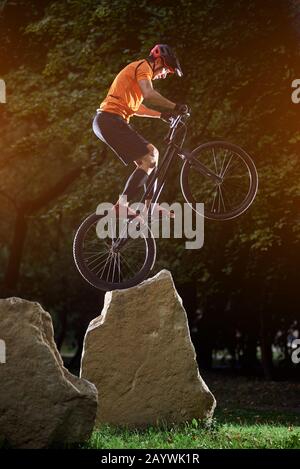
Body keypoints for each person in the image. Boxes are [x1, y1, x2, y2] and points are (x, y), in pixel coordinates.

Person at [93, 44, 189, 219]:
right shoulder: (143, 67)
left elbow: (138, 108)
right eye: (166, 70)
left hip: (109, 121)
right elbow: (149, 93)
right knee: (151, 154)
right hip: (109, 120)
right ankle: (122, 206)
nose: (165, 75)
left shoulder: (138, 73)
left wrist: (162, 115)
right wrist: (176, 106)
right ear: (158, 60)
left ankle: (150, 206)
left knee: (151, 157)